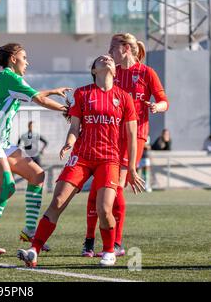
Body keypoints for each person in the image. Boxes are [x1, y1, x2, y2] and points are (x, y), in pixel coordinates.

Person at [17, 54, 145, 268]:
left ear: (115, 70)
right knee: (57, 202)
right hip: (81, 157)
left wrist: (131, 167)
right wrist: (69, 143)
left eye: (110, 59)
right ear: (94, 70)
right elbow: (75, 128)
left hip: (109, 159)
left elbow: (132, 136)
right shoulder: (83, 93)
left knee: (104, 210)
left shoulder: (124, 97)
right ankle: (34, 250)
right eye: (101, 59)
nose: (107, 59)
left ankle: (108, 251)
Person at [0, 43, 70, 254]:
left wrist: (52, 91)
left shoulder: (9, 78)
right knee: (7, 187)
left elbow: (34, 95)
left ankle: (30, 231)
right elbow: (39, 100)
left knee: (37, 176)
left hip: (1, 141)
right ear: (13, 59)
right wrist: (68, 110)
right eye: (24, 57)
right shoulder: (10, 77)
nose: (28, 61)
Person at [82, 33, 169, 258]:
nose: (109, 52)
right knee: (97, 188)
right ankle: (89, 240)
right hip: (108, 136)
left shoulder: (146, 73)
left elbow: (164, 100)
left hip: (135, 136)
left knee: (116, 185)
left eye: (113, 48)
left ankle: (116, 242)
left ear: (126, 49)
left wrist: (157, 107)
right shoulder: (112, 72)